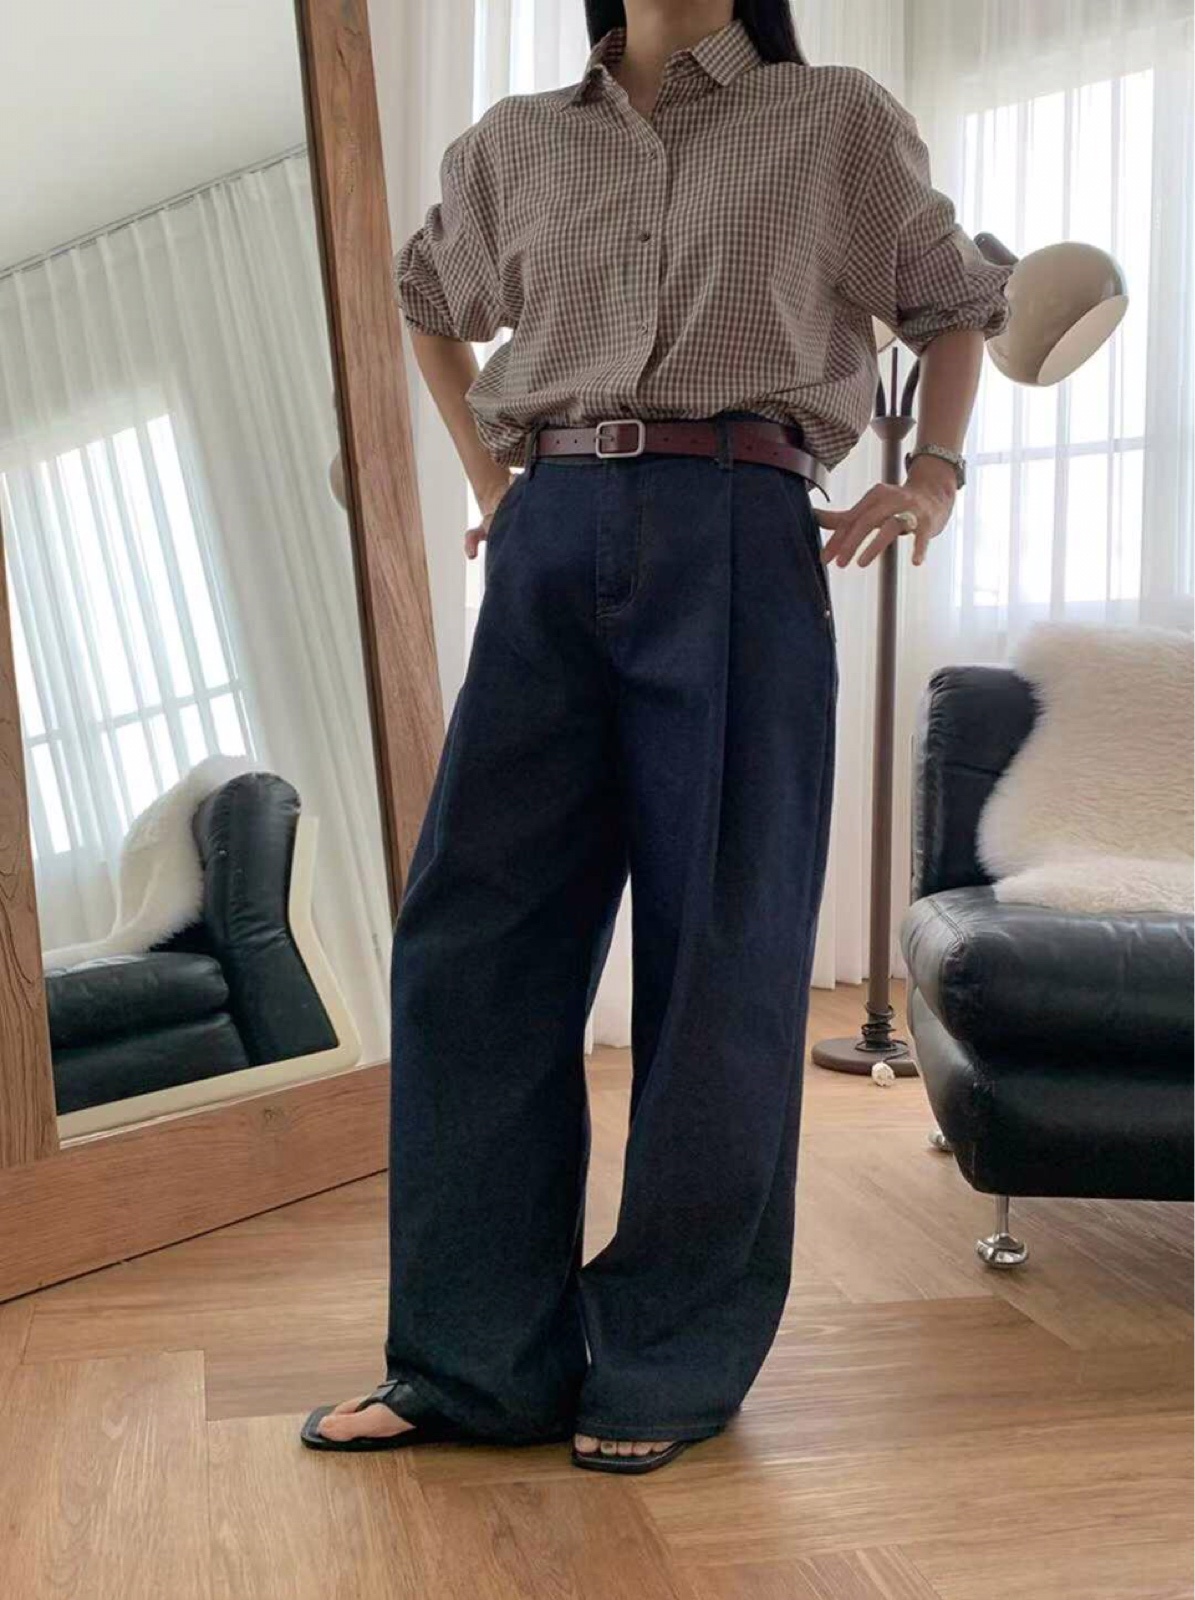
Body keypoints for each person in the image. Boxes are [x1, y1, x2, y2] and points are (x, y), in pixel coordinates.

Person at [301, 0, 1009, 1474]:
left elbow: (953, 299)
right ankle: (471, 1362)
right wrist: (494, 483)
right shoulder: (514, 143)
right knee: (471, 941)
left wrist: (933, 475)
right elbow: (431, 302)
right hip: (550, 531)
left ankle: (668, 1357)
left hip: (740, 523)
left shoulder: (833, 118)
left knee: (725, 950)